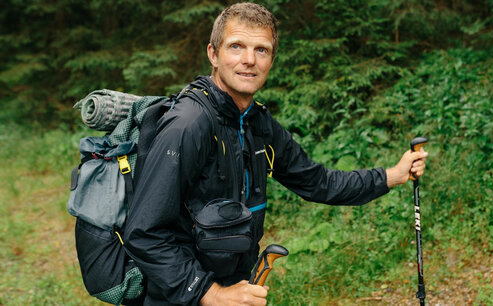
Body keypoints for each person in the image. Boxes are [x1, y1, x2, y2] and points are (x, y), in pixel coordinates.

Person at [123, 2, 428, 306]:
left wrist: (392, 175)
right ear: (213, 55)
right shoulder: (188, 125)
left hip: (239, 289)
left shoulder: (258, 124)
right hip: (180, 297)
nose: (249, 60)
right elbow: (144, 232)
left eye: (262, 50)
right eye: (236, 46)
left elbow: (319, 182)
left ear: (271, 60)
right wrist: (211, 293)